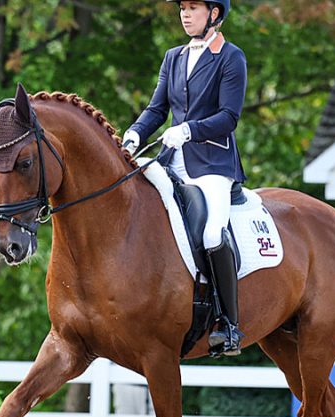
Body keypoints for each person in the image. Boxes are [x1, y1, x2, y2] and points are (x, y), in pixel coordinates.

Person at [123, 0, 246, 356]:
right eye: (183, 8)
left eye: (193, 7)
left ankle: (229, 324)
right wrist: (134, 134)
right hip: (171, 160)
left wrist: (190, 130)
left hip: (213, 164)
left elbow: (229, 117)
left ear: (214, 14)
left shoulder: (231, 57)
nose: (185, 14)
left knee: (212, 232)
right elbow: (157, 109)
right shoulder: (173, 57)